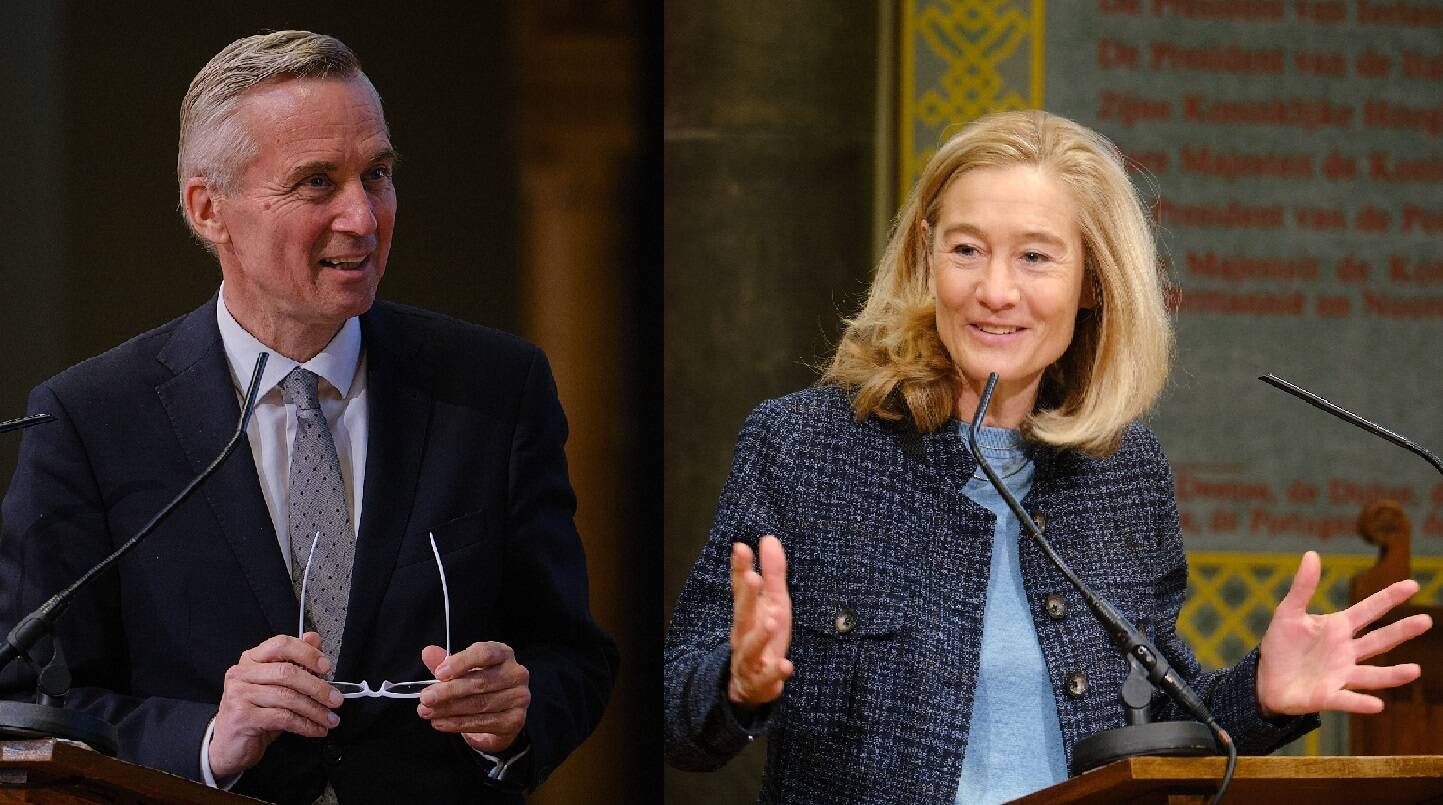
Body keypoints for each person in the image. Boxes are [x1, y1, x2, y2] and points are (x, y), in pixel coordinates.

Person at [663, 110, 1433, 803]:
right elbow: (676, 714)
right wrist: (738, 682)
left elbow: (1158, 717)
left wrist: (1262, 695)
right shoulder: (803, 446)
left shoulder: (1124, 471)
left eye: (1034, 257)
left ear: (1091, 282)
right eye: (966, 249)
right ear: (927, 256)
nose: (995, 290)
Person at [0, 31, 616, 804]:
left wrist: (515, 709)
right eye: (317, 183)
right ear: (207, 209)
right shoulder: (90, 419)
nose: (363, 215)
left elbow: (573, 655)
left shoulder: (492, 388)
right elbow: (25, 702)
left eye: (378, 174)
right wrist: (210, 738)